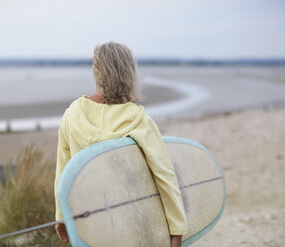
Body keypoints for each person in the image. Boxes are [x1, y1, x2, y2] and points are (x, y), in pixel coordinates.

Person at [54, 41, 187, 247]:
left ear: (96, 71)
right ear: (129, 73)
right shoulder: (139, 120)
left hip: (89, 222)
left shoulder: (73, 114)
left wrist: (61, 215)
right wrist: (176, 231)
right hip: (131, 223)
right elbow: (165, 177)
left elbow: (64, 171)